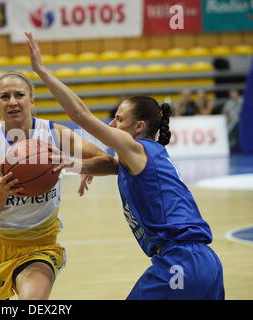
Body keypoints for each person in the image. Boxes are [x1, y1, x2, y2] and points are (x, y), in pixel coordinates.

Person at [26, 32, 225, 300]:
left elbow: (80, 115)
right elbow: (111, 165)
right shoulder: (145, 157)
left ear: (138, 127)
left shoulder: (136, 148)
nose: (111, 125)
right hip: (206, 263)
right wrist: (75, 166)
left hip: (181, 263)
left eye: (119, 119)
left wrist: (42, 71)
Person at [0, 71, 118, 300]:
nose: (12, 102)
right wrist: (2, 190)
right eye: (5, 96)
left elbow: (110, 164)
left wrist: (79, 166)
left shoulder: (54, 134)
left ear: (31, 100)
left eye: (19, 95)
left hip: (40, 246)